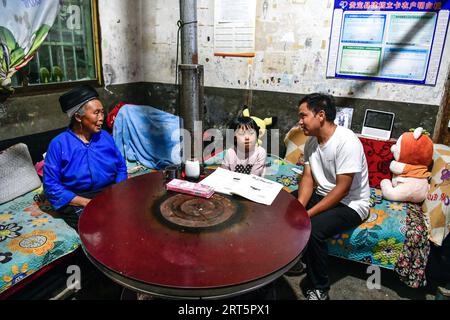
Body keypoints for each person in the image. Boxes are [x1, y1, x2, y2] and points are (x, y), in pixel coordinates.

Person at [295, 93, 370, 300]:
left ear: (320, 115)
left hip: (351, 203)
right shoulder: (311, 142)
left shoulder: (347, 142)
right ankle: (297, 260)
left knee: (314, 229)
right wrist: (299, 207)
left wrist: (307, 214)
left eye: (303, 116)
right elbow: (308, 177)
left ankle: (320, 288)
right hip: (323, 194)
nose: (299, 121)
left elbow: (342, 189)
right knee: (285, 207)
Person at [43, 85, 128, 230]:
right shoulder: (59, 144)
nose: (102, 118)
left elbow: (121, 167)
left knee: (131, 215)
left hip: (109, 192)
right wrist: (86, 202)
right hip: (76, 198)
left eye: (102, 112)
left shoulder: (105, 137)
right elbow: (51, 186)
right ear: (78, 117)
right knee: (97, 227)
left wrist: (118, 191)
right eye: (96, 113)